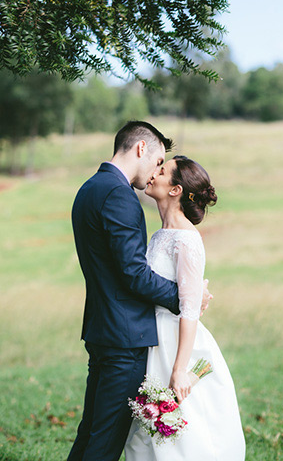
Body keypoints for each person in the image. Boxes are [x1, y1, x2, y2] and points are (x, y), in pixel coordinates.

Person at [67, 122, 211, 461]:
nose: (154, 172)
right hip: (125, 338)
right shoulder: (120, 195)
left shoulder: (90, 187)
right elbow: (134, 274)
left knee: (91, 432)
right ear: (141, 149)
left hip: (103, 329)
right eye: (158, 160)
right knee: (103, 443)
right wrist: (185, 297)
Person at [125, 156, 246, 461]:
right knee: (146, 433)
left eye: (161, 171)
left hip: (175, 343)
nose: (153, 174)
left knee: (180, 434)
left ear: (176, 189)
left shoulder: (187, 239)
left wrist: (180, 369)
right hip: (150, 339)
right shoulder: (159, 234)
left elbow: (190, 309)